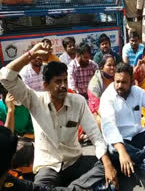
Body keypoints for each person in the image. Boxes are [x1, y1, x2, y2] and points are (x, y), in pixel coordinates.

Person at [0, 43, 118, 189]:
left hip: (74, 162)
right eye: (57, 81)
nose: (63, 85)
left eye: (65, 80)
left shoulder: (78, 101)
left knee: (111, 163)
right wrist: (31, 54)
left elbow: (95, 134)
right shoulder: (35, 100)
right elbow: (6, 77)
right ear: (45, 85)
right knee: (41, 186)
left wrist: (107, 165)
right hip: (48, 167)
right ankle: (79, 188)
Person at [99, 62, 145, 191]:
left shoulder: (138, 92)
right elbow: (109, 126)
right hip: (121, 143)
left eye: (124, 82)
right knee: (112, 149)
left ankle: (144, 167)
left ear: (132, 82)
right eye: (117, 81)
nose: (119, 86)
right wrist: (122, 152)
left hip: (138, 136)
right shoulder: (107, 97)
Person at [88, 54, 115, 129]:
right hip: (99, 112)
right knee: (100, 122)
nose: (112, 68)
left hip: (115, 108)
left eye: (113, 65)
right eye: (109, 65)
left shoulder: (117, 77)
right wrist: (110, 117)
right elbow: (96, 107)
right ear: (101, 68)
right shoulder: (94, 83)